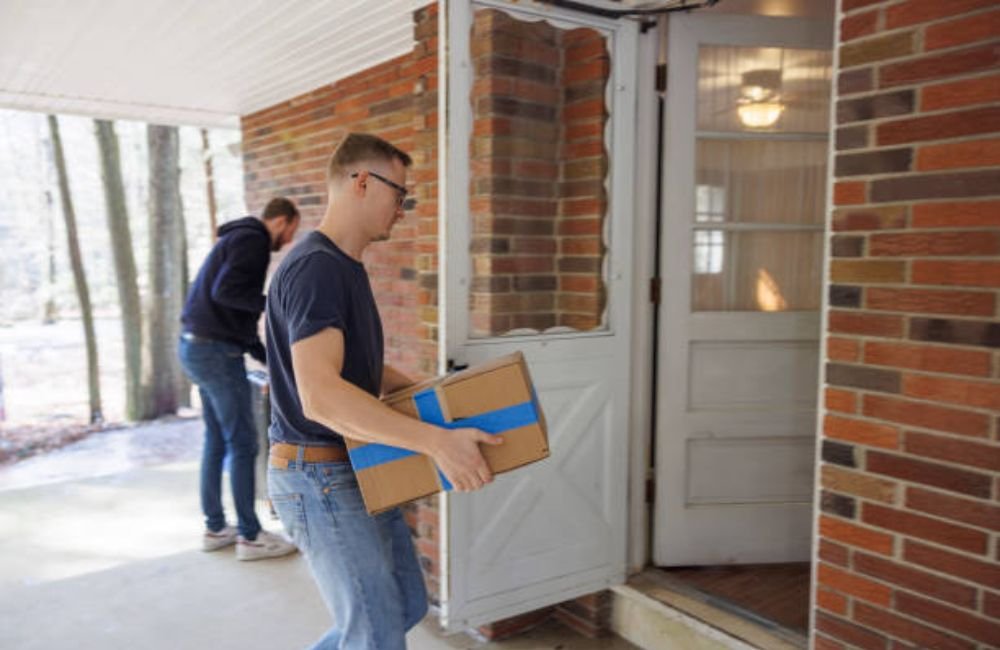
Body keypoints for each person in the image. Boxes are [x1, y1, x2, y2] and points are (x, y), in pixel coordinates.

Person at [265, 133, 502, 649]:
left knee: (404, 606)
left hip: (355, 464)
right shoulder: (317, 269)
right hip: (320, 475)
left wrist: (429, 391)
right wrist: (436, 442)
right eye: (400, 194)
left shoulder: (341, 266)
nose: (403, 208)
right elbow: (322, 396)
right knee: (374, 635)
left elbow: (354, 370)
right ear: (363, 182)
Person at [178, 197, 300, 561]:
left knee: (217, 440)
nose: (290, 241)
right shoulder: (254, 240)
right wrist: (273, 304)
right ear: (282, 221)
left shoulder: (236, 239)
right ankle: (250, 536)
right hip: (216, 354)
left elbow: (237, 317)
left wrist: (273, 360)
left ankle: (216, 528)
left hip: (195, 347)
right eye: (292, 230)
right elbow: (228, 294)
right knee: (243, 444)